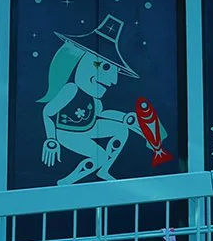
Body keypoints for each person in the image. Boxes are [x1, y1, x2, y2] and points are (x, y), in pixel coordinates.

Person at [38, 15, 139, 186]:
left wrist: (123, 118)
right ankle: (66, 182)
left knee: (121, 130)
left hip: (88, 127)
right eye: (104, 66)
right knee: (99, 155)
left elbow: (101, 113)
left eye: (114, 71)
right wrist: (51, 139)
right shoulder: (71, 89)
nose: (113, 80)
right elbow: (47, 112)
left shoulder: (94, 99)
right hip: (67, 132)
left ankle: (104, 170)